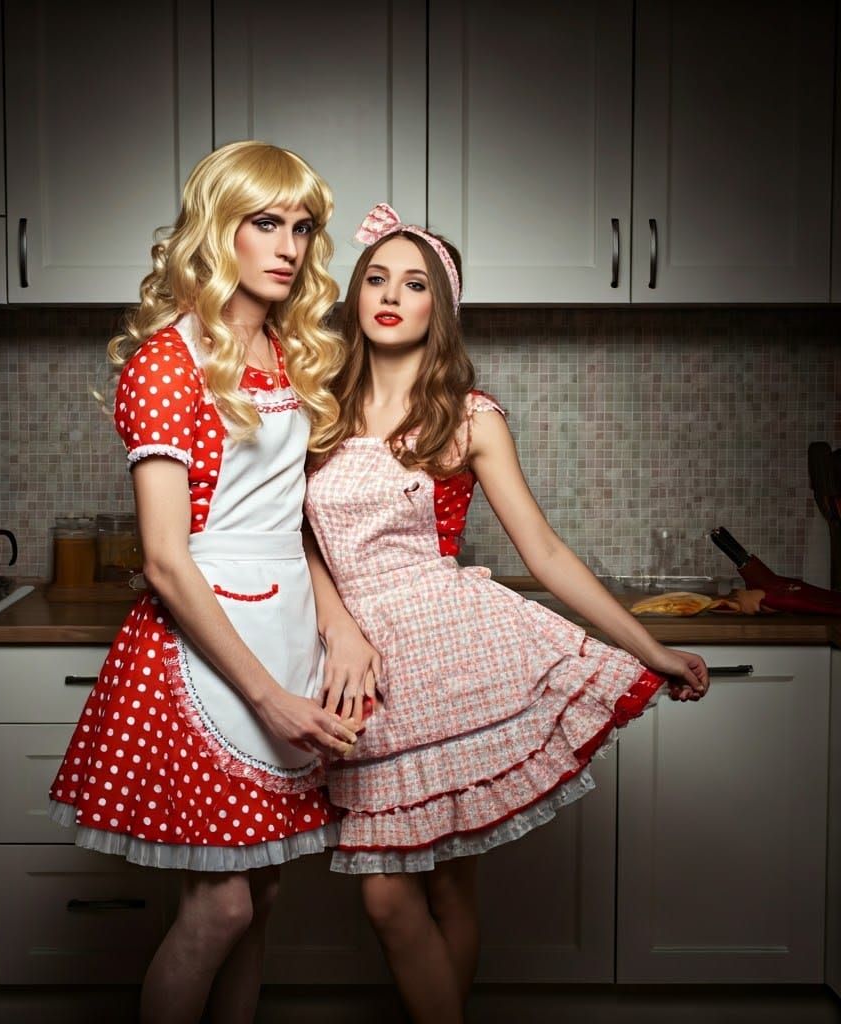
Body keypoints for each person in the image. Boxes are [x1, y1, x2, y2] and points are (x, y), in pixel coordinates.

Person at [303, 202, 711, 1024]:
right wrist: (337, 623)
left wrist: (651, 648)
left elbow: (547, 554)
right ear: (354, 295)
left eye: (414, 283)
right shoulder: (315, 406)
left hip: (453, 653)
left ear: (438, 308)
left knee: (447, 885)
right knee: (388, 897)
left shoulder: (470, 417)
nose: (390, 295)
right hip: (359, 673)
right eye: (376, 278)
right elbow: (295, 538)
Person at [48, 141, 378, 1024]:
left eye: (302, 228)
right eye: (265, 223)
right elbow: (163, 558)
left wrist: (338, 623)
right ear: (216, 227)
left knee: (260, 903)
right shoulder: (167, 360)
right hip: (209, 660)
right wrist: (269, 698)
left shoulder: (283, 348)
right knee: (222, 905)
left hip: (284, 634)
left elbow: (290, 520)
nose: (290, 246)